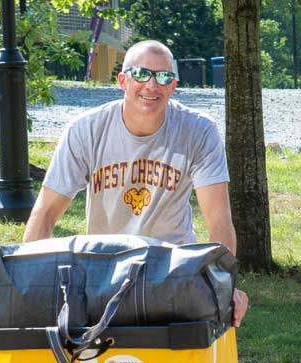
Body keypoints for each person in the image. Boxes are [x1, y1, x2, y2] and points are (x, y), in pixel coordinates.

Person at [22, 39, 249, 326]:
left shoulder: (198, 131)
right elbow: (45, 212)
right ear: (122, 80)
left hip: (172, 272)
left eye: (164, 77)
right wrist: (30, 286)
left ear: (174, 85)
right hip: (103, 272)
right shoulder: (86, 130)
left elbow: (218, 220)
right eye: (141, 74)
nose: (152, 86)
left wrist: (224, 286)